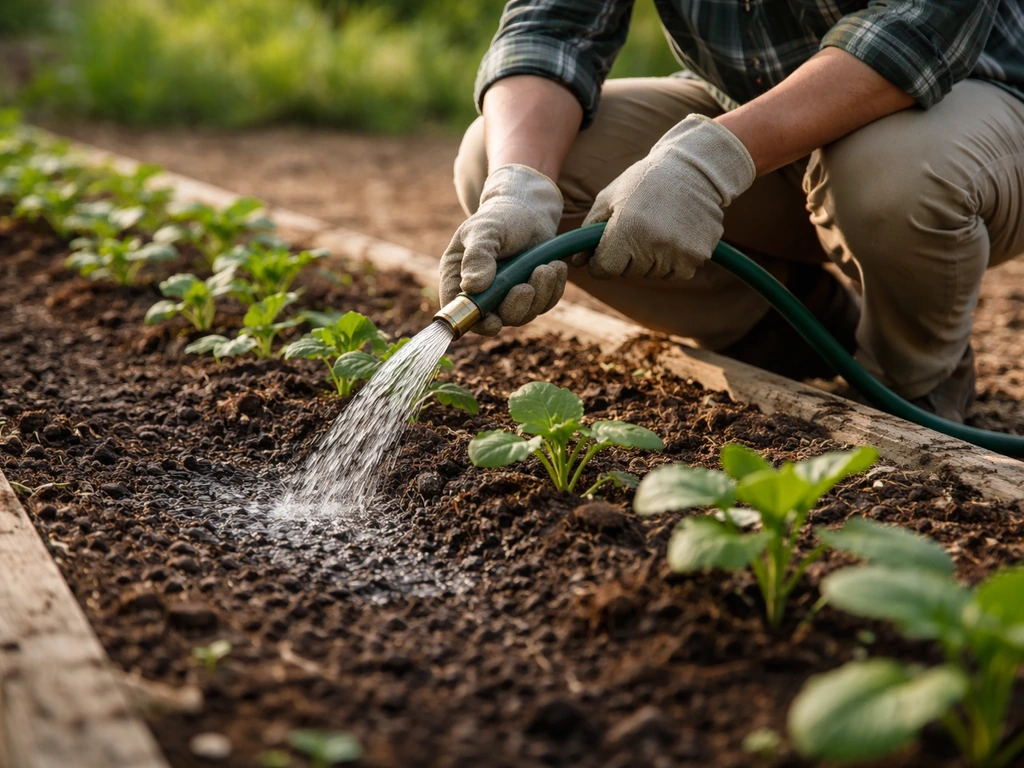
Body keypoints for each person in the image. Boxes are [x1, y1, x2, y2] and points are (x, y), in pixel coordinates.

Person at [439, 1, 1024, 423]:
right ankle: (796, 326)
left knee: (891, 177)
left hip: (971, 112)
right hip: (764, 121)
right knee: (493, 159)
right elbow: (550, 28)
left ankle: (913, 379)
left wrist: (709, 160)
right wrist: (517, 186)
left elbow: (915, 31)